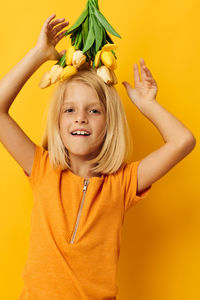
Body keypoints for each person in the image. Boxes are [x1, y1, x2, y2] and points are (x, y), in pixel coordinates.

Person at [0, 14, 196, 300]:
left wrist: (147, 105)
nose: (81, 118)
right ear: (57, 122)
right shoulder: (41, 167)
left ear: (109, 123)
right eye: (70, 110)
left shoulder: (123, 183)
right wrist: (38, 55)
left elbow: (183, 141)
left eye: (94, 111)